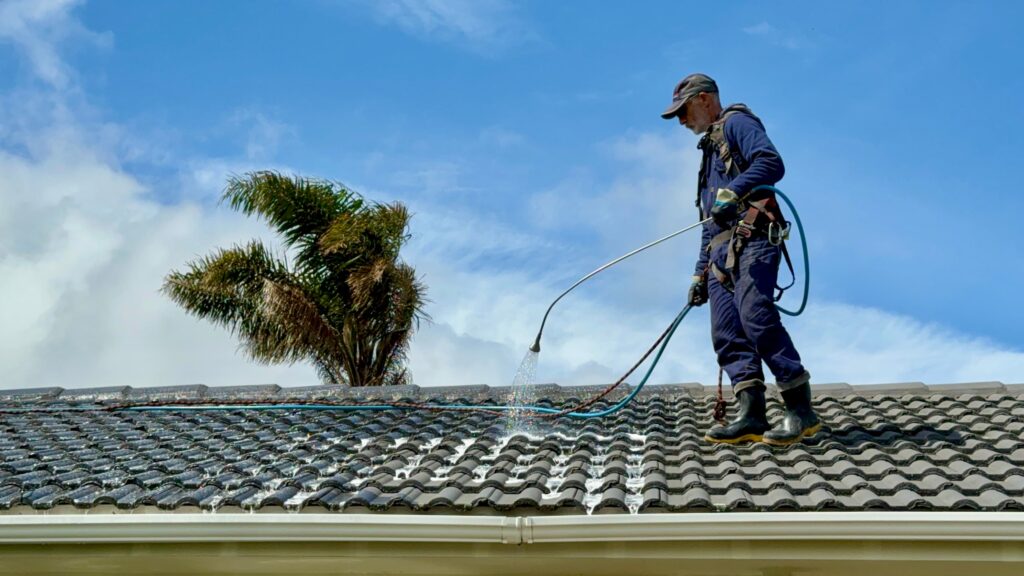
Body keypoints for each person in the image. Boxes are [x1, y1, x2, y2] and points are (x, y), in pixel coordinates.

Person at [660, 73, 820, 446]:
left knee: (755, 316)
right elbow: (708, 223)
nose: (682, 122)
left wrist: (735, 189)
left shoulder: (737, 123)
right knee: (727, 333)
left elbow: (771, 162)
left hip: (753, 238)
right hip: (719, 255)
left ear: (703, 99)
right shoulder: (708, 154)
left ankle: (800, 408)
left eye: (683, 112)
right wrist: (700, 275)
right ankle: (751, 414)